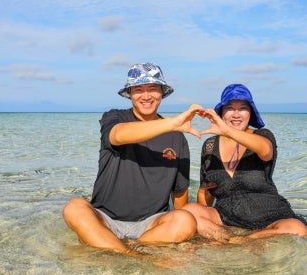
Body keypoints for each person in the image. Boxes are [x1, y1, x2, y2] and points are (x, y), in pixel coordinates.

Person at [62, 62, 202, 254]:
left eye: (152, 89)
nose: (146, 96)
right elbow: (118, 136)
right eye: (138, 90)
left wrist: (186, 235)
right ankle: (133, 255)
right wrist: (172, 123)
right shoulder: (115, 117)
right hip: (105, 219)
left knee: (185, 220)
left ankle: (121, 249)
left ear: (162, 92)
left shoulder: (177, 137)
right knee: (74, 207)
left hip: (150, 225)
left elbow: (179, 192)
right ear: (130, 94)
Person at [184, 84, 307, 241]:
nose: (236, 114)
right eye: (230, 108)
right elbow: (206, 190)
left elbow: (266, 150)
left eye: (243, 108)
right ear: (222, 112)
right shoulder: (210, 145)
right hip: (226, 217)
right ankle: (233, 239)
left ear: (250, 112)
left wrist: (228, 131)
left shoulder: (262, 135)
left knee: (297, 228)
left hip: (270, 216)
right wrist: (203, 222)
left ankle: (241, 240)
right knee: (189, 211)